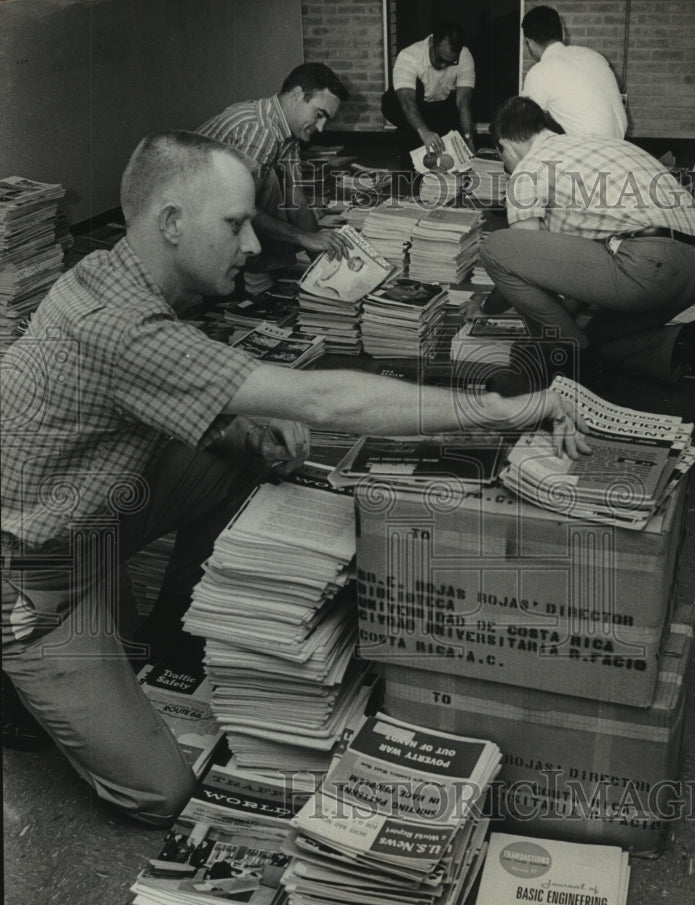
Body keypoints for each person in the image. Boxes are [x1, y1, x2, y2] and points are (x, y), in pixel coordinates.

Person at [0, 130, 587, 826]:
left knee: (246, 449)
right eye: (235, 224)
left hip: (85, 514)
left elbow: (142, 394)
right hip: (35, 575)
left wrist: (242, 421)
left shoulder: (110, 269)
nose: (253, 245)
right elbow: (326, 401)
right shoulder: (120, 327)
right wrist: (504, 408)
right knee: (161, 794)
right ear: (171, 222)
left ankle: (177, 628)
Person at [465, 97, 695, 384]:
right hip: (687, 271)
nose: (507, 167)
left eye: (503, 161)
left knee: (496, 247)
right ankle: (683, 343)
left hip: (646, 263)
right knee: (597, 342)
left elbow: (519, 261)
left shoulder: (529, 168)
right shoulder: (599, 145)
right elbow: (577, 272)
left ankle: (569, 362)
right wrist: (565, 323)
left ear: (505, 146)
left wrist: (486, 308)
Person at [197, 62, 350, 284]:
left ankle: (260, 277)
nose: (321, 127)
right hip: (190, 219)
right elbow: (243, 209)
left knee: (271, 182)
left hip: (216, 209)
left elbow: (296, 200)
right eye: (319, 114)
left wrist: (322, 259)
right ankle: (255, 282)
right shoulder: (261, 130)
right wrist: (305, 238)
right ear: (297, 95)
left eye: (327, 120)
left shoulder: (285, 131)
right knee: (269, 181)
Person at [521, 4, 627, 139]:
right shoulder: (594, 56)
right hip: (622, 146)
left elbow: (524, 130)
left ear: (530, 42)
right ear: (563, 33)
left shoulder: (539, 72)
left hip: (591, 149)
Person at [381, 22, 475, 166]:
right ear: (432, 42)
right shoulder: (409, 56)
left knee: (450, 136)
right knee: (407, 115)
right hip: (406, 103)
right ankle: (407, 139)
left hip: (437, 106)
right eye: (440, 59)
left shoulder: (465, 55)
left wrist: (468, 138)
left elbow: (464, 102)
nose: (443, 66)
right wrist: (424, 132)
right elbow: (407, 102)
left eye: (450, 62)